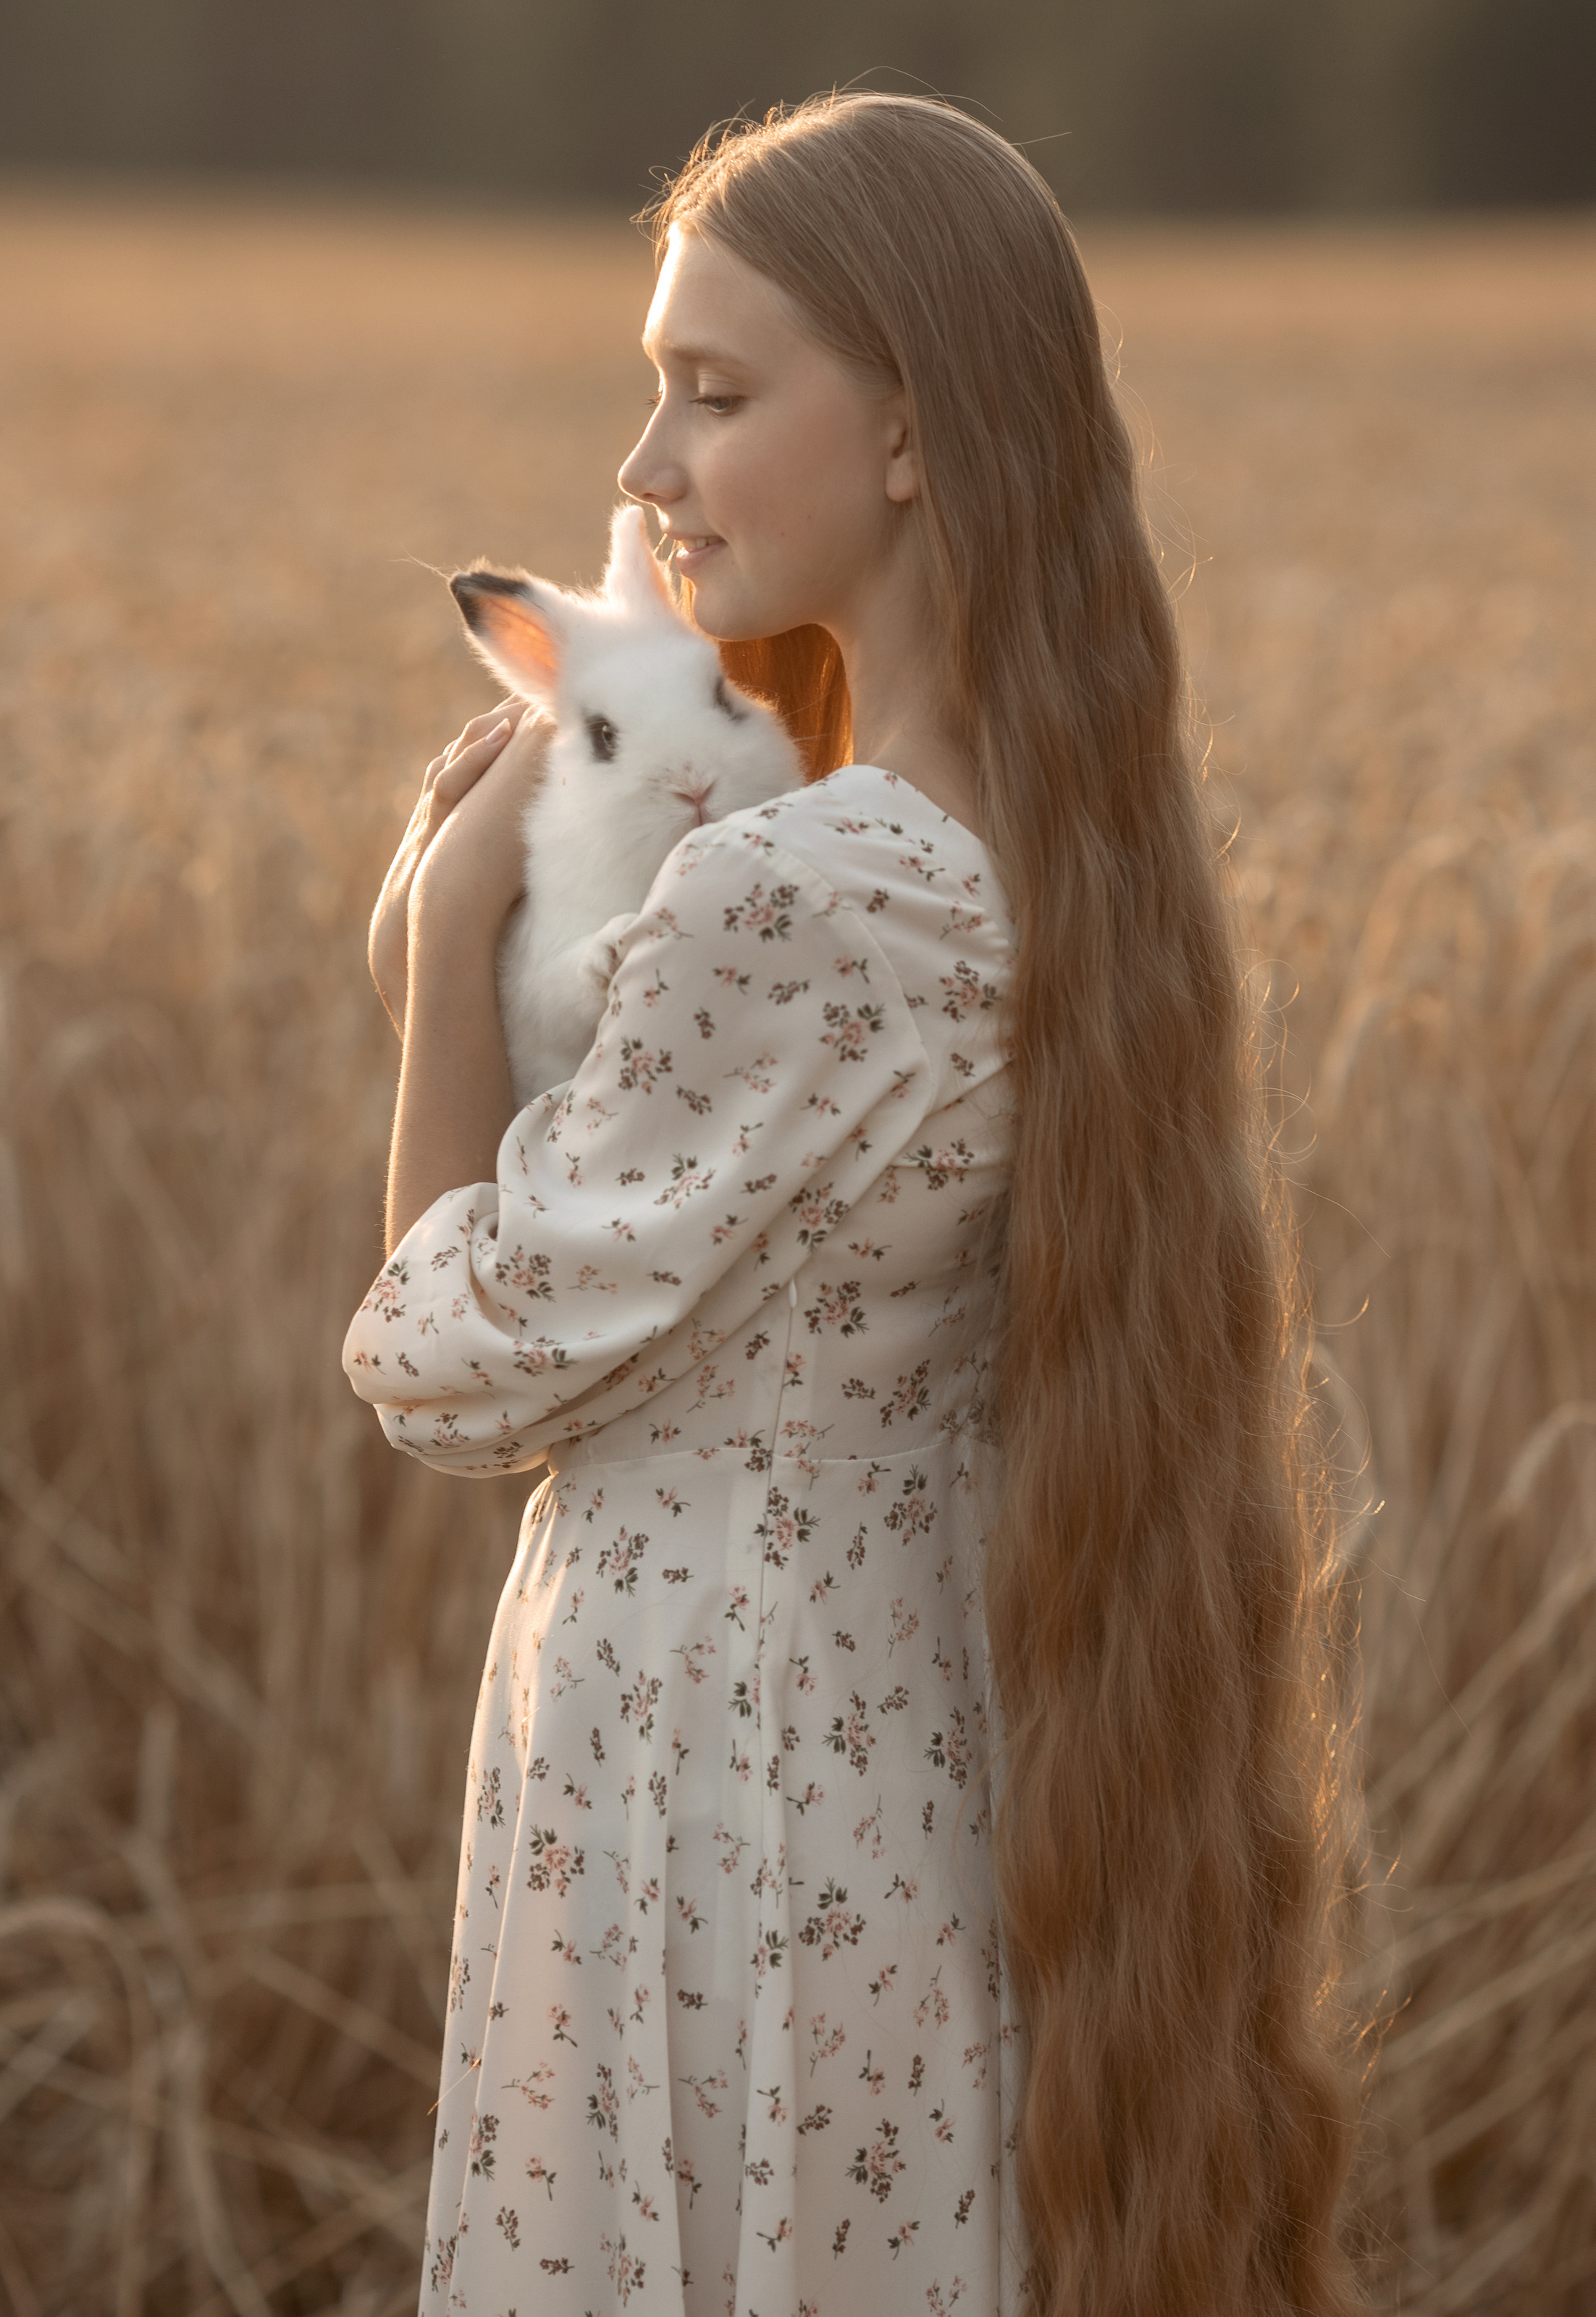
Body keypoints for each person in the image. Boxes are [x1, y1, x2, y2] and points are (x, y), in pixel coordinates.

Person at [349, 93, 1360, 2317]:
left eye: (714, 394)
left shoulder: (796, 890)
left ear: (911, 431)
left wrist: (441, 927)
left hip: (703, 1801)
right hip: (903, 1764)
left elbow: (444, 1363)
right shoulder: (1039, 834)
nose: (644, 467)